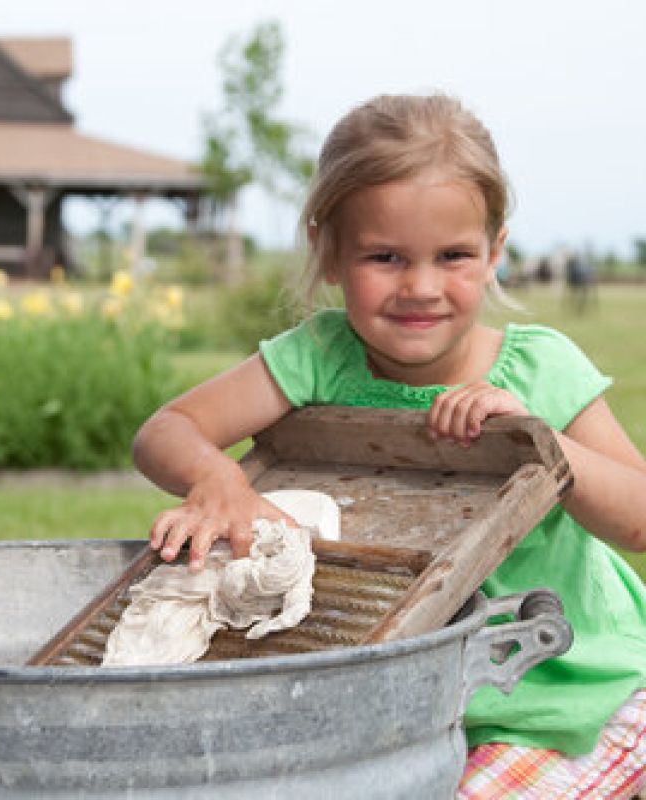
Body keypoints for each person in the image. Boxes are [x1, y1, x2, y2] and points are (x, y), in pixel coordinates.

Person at [132, 94, 646, 797]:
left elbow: (640, 519)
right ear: (330, 251)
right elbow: (165, 431)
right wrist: (222, 483)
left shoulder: (540, 370)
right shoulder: (318, 358)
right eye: (386, 256)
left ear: (495, 253)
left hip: (568, 695)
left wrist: (539, 442)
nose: (421, 287)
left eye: (453, 256)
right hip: (406, 707)